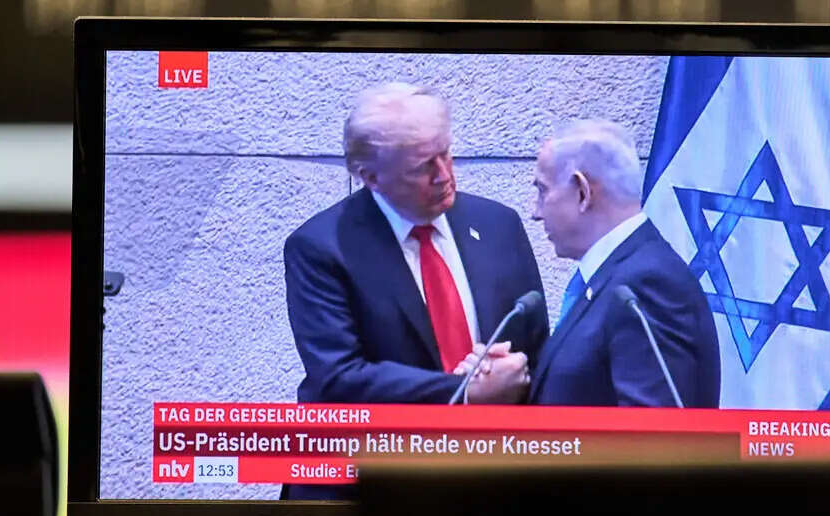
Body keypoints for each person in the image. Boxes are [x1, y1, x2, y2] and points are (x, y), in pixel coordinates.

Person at [283, 83, 546, 407]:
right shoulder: (321, 248)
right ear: (371, 176)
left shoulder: (498, 224)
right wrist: (462, 390)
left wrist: (513, 370)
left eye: (446, 153)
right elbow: (339, 377)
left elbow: (535, 347)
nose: (443, 175)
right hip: (386, 448)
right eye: (422, 167)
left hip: (500, 447)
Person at [516, 119, 720, 407]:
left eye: (543, 191)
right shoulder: (616, 276)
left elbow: (650, 441)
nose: (535, 212)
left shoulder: (648, 286)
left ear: (582, 192)